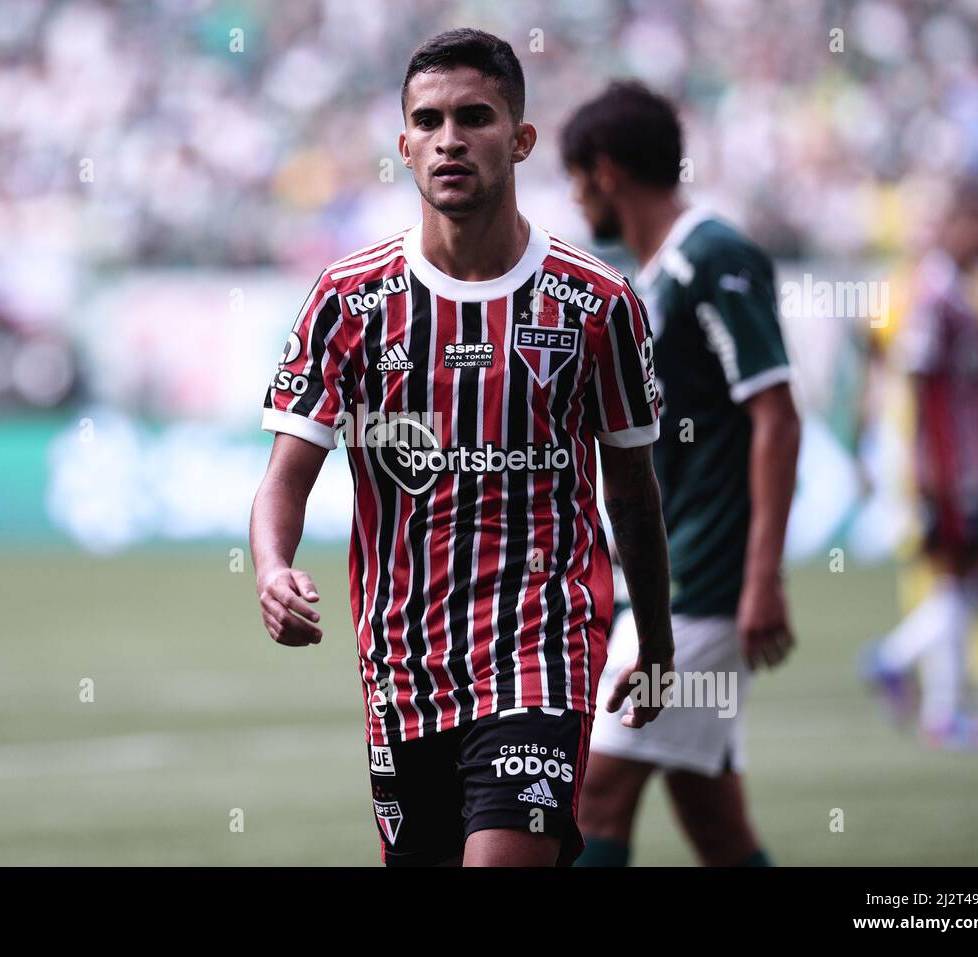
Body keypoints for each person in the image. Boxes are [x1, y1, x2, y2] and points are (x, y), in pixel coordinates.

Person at [251, 30, 672, 866]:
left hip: (540, 648)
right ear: (404, 143)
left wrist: (655, 638)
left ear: (520, 138)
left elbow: (631, 486)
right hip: (401, 664)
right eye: (429, 120)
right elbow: (285, 477)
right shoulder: (349, 301)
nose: (450, 138)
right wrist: (271, 567)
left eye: (475, 117)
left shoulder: (596, 304)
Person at [561, 80, 800, 866]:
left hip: (706, 582)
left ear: (603, 172)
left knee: (593, 790)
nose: (574, 197)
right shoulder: (658, 273)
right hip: (676, 577)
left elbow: (775, 414)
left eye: (574, 177)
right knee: (712, 818)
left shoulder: (713, 257)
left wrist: (760, 579)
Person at [864, 185, 978, 750]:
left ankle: (898, 657)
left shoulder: (966, 293)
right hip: (947, 466)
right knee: (957, 574)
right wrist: (933, 467)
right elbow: (921, 381)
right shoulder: (934, 294)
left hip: (970, 462)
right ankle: (940, 709)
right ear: (955, 227)